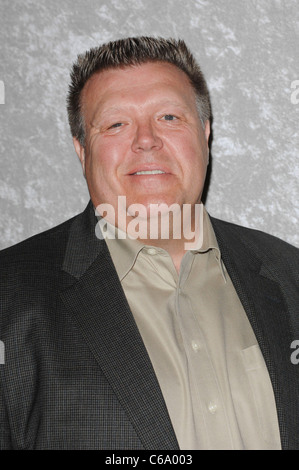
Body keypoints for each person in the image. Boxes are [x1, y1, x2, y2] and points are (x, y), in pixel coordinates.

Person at [0, 36, 298, 451]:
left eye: (170, 117)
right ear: (81, 150)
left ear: (205, 135)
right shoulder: (8, 299)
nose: (146, 140)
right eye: (117, 123)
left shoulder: (291, 275)